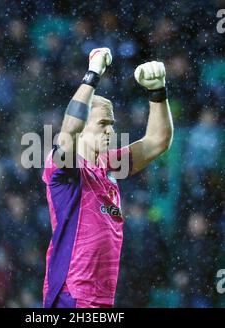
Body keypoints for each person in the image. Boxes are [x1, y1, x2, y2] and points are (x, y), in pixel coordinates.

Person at [42, 48, 174, 308]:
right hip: (71, 296)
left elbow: (158, 142)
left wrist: (158, 92)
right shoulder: (66, 169)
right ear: (83, 126)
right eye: (103, 123)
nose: (110, 130)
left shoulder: (110, 165)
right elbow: (68, 130)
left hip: (102, 299)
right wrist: (92, 74)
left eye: (112, 124)